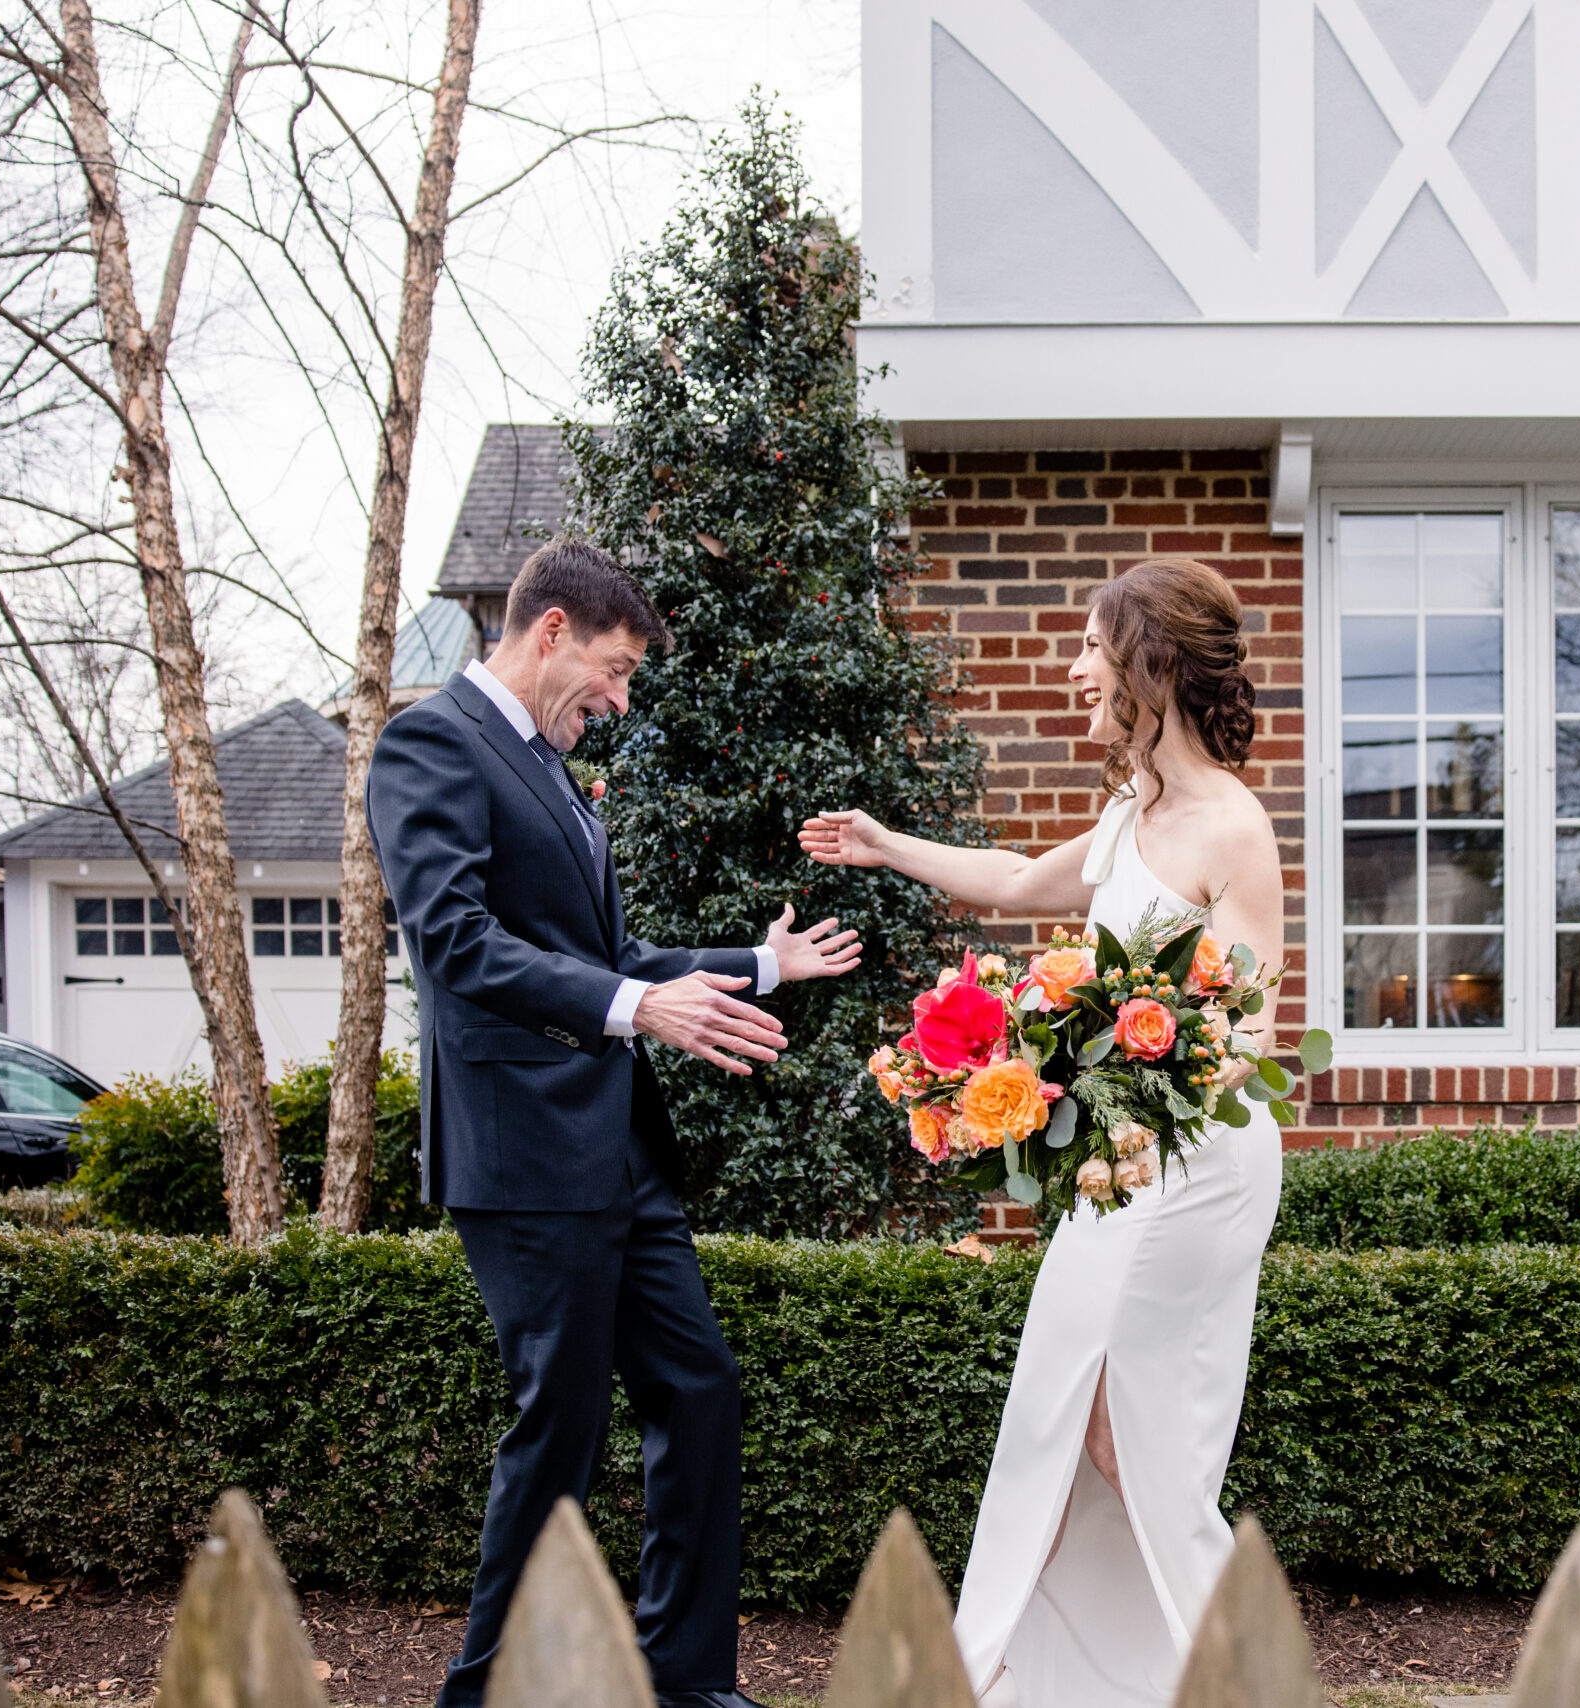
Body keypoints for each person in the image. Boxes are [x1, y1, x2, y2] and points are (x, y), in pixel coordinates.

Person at [368, 538, 862, 1708]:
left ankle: (681, 1681)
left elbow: (603, 959)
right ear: (550, 632)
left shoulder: (548, 767)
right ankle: (484, 1696)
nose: (621, 696)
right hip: (526, 1153)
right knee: (562, 1429)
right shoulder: (432, 741)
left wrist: (759, 964)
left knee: (698, 1391)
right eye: (617, 666)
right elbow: (456, 942)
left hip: (618, 1156)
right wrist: (640, 1006)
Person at [797, 557, 1286, 1708]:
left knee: (1135, 1440)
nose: (1074, 668)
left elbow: (1259, 1032)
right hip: (1117, 1177)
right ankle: (1053, 1671)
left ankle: (1226, 1680)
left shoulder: (1233, 825)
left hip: (1200, 1168)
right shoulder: (1130, 815)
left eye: (1090, 649)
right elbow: (1019, 881)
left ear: (1148, 666)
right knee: (1062, 1420)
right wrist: (885, 843)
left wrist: (1132, 1064)